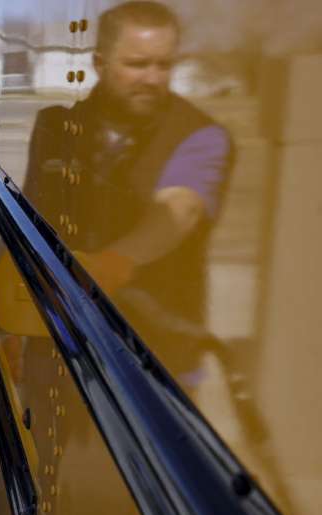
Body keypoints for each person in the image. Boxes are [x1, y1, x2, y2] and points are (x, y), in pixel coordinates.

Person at [22, 0, 233, 380]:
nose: (153, 78)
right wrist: (14, 325)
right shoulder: (56, 127)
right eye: (137, 64)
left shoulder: (201, 135)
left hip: (159, 363)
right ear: (100, 64)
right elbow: (31, 219)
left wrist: (115, 262)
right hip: (58, 344)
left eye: (164, 64)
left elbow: (179, 208)